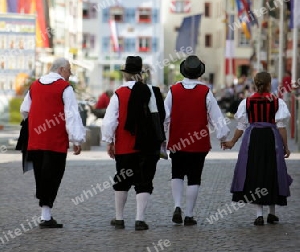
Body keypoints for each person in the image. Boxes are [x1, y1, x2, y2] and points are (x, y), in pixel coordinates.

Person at [19, 58, 86, 228]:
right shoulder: (65, 87)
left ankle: (45, 215)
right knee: (53, 176)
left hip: (36, 140)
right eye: (69, 70)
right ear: (62, 69)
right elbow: (71, 114)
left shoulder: (35, 85)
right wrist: (76, 139)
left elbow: (24, 109)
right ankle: (45, 216)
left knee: (41, 177)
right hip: (55, 141)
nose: (70, 73)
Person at [164, 55, 230, 226]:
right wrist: (222, 137)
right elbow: (216, 117)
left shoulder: (173, 90)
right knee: (194, 177)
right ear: (199, 72)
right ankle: (188, 214)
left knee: (176, 173)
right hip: (198, 142)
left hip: (177, 140)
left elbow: (165, 116)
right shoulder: (205, 91)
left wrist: (162, 138)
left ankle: (177, 205)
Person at [101, 56, 165, 231]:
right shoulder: (154, 92)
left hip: (125, 146)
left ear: (126, 75)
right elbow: (162, 117)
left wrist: (109, 141)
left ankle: (119, 218)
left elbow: (109, 121)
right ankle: (139, 219)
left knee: (122, 179)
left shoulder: (119, 94)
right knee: (145, 181)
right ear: (141, 74)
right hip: (149, 146)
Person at [222, 72, 292, 226]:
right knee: (272, 171)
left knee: (256, 171)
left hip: (252, 139)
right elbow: (281, 127)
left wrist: (232, 141)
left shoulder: (246, 102)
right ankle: (272, 213)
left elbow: (241, 126)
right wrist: (285, 146)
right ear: (269, 85)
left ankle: (259, 214)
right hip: (271, 138)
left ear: (254, 84)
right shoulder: (277, 102)